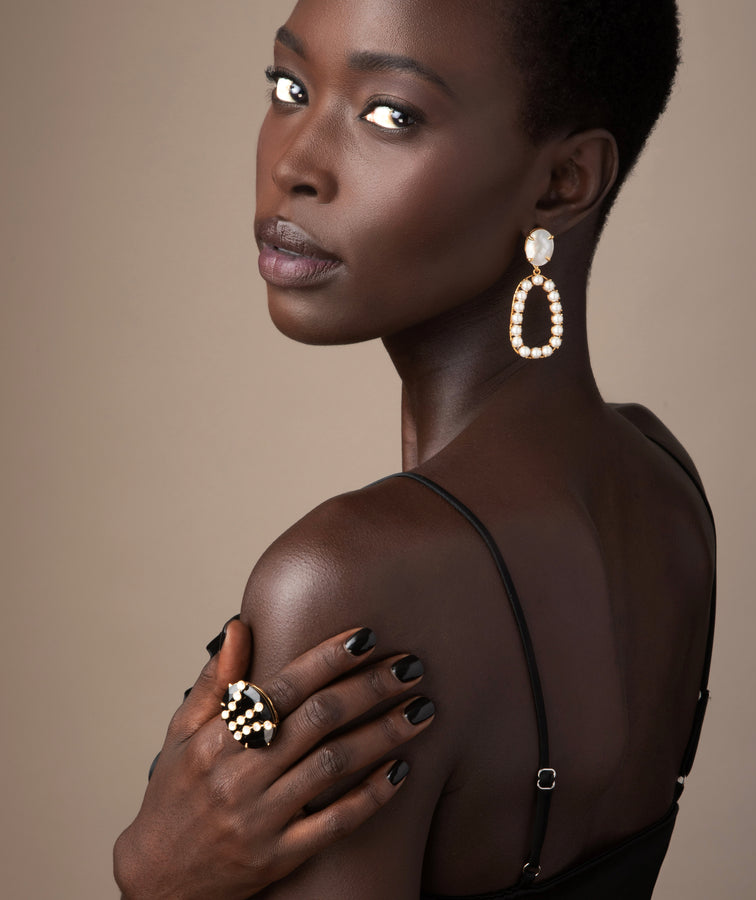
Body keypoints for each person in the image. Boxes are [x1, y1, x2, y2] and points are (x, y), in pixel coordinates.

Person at [116, 0, 716, 897]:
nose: (295, 164)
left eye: (390, 114)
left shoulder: (349, 578)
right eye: (289, 87)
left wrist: (153, 877)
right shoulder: (666, 480)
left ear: (563, 181)